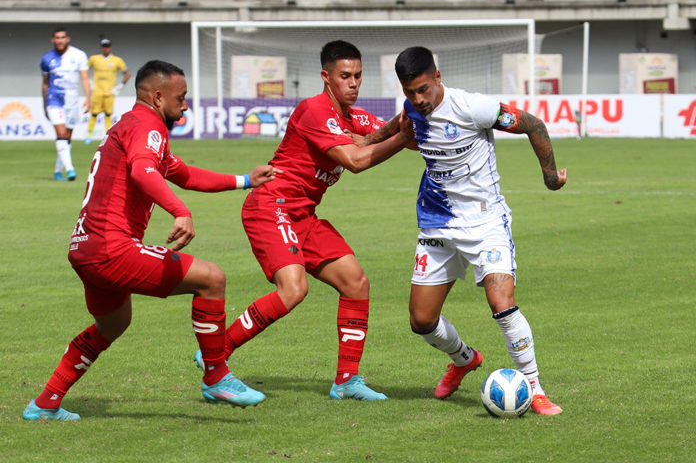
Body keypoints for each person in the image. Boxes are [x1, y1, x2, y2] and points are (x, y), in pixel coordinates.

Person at [23, 60, 281, 421]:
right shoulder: (148, 127)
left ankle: (46, 403)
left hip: (84, 249)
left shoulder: (130, 125)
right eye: (182, 97)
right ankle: (216, 376)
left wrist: (245, 180)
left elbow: (186, 174)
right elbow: (142, 172)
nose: (186, 105)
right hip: (113, 247)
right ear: (159, 98)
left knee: (112, 325)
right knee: (212, 279)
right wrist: (180, 211)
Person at [194, 40, 412, 401]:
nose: (353, 83)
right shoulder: (314, 110)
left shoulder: (353, 116)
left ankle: (346, 382)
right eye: (345, 76)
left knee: (356, 283)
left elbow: (393, 136)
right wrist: (403, 134)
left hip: (303, 215)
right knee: (293, 289)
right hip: (271, 205)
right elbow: (356, 161)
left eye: (358, 75)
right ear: (326, 77)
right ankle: (215, 355)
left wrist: (424, 118)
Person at [363, 46, 567, 415]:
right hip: (437, 223)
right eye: (410, 92)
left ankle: (534, 389)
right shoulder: (413, 109)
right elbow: (395, 127)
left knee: (501, 303)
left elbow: (533, 124)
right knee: (421, 321)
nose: (418, 99)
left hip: (485, 221)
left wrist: (550, 176)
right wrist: (360, 144)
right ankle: (464, 360)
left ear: (438, 77)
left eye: (424, 89)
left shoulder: (474, 107)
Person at [41, 27, 91, 181]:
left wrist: (88, 97)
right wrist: (44, 105)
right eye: (57, 37)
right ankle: (70, 169)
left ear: (67, 39)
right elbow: (45, 83)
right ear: (52, 40)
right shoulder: (46, 59)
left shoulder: (79, 55)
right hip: (54, 99)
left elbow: (84, 77)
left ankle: (57, 171)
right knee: (61, 134)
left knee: (67, 138)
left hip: (72, 100)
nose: (59, 40)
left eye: (62, 37)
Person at [85, 38, 130, 144]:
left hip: (110, 92)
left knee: (108, 114)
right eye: (104, 47)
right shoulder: (94, 59)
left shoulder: (116, 60)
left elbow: (127, 74)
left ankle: (107, 136)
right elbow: (84, 70)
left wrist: (119, 86)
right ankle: (89, 136)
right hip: (97, 91)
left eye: (107, 46)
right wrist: (89, 82)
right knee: (94, 114)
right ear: (101, 48)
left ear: (110, 47)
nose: (105, 49)